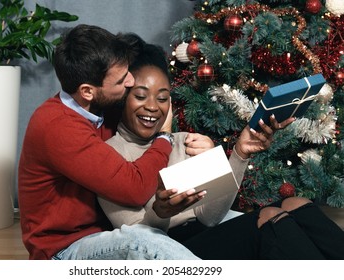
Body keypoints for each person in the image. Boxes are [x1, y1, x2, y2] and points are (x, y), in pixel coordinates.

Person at [97, 34, 344, 259]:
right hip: (168, 249)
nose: (153, 107)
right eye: (141, 96)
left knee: (296, 204)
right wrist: (160, 212)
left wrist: (239, 154)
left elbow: (209, 217)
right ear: (122, 99)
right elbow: (137, 241)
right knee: (268, 218)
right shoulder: (108, 155)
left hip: (206, 234)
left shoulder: (185, 141)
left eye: (162, 98)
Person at [18, 24, 210, 260]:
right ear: (87, 91)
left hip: (110, 231)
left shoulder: (104, 105)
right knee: (141, 242)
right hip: (65, 250)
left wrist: (205, 151)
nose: (130, 81)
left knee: (233, 221)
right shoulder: (57, 126)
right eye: (121, 80)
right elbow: (136, 189)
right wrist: (165, 135)